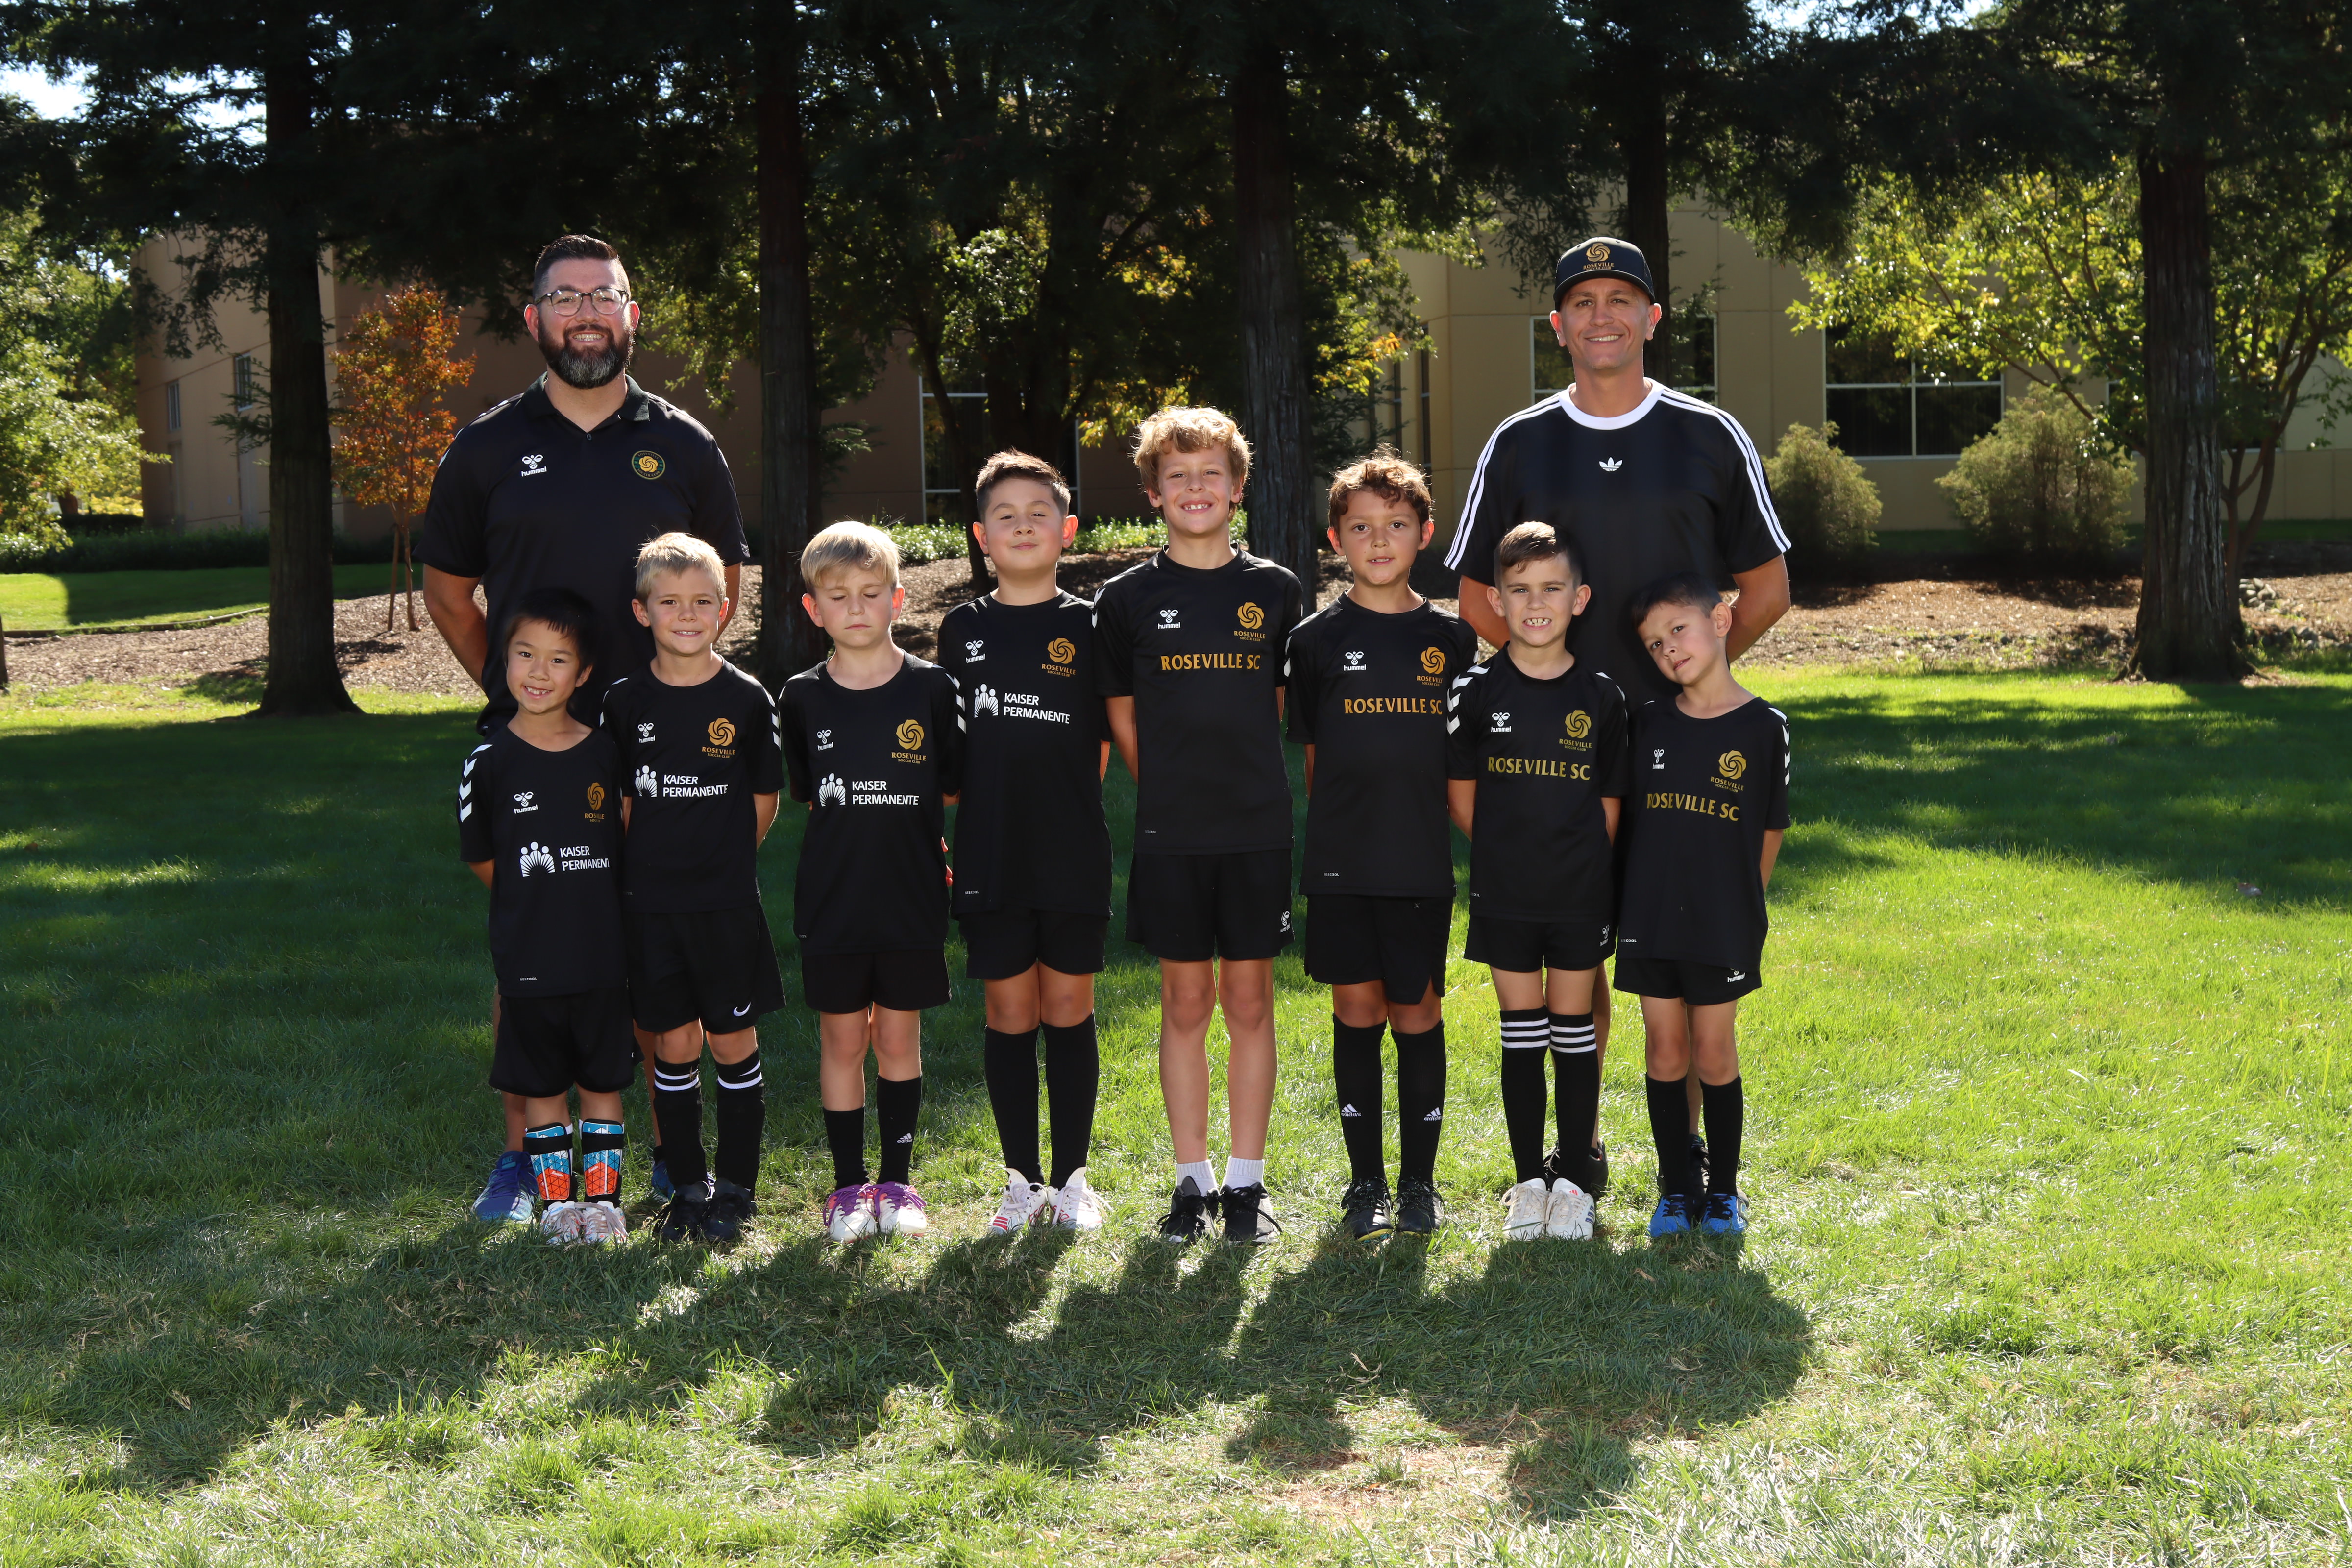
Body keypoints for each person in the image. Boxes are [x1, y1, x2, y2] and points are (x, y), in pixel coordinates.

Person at [1441, 235, 1791, 1192]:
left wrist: (1697, 689)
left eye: (1621, 299)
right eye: (1584, 302)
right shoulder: (1520, 441)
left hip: (1681, 754)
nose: (1603, 317)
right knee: (1578, 957)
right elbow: (1475, 597)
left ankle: (1688, 1162)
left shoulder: (1708, 435)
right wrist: (1547, 684)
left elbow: (1766, 588)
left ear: (1653, 319)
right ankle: (1580, 1148)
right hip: (1563, 758)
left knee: (1682, 956)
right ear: (1558, 325)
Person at [419, 232, 749, 1219]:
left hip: (661, 746)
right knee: (533, 935)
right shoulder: (485, 448)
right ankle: (525, 1160)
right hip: (539, 748)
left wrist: (679, 686)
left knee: (651, 942)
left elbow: (724, 586)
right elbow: (448, 593)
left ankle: (668, 1150)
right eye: (565, 298)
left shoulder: (686, 445)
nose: (586, 314)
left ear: (632, 315)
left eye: (604, 296)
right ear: (534, 320)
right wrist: (526, 694)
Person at [1092, 407, 1305, 1244]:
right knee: (1184, 1001)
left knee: (1250, 1000)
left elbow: (1276, 706)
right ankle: (1192, 1182)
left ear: (1238, 487)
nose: (1194, 487)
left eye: (1211, 472)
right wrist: (1173, 792)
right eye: (1176, 475)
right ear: (1153, 493)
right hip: (1173, 832)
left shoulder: (1276, 590)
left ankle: (1247, 1184)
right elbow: (1123, 716)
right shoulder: (1126, 599)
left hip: (1256, 827)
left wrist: (1232, 784)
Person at [1282, 452, 1478, 1243]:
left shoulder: (1453, 639)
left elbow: (1463, 762)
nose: (1379, 540)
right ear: (1336, 539)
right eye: (1361, 527)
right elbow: (1314, 762)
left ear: (1425, 534)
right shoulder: (1313, 640)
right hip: (1342, 859)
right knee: (1356, 1009)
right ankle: (1365, 1183)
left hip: (1418, 858)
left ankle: (1419, 1185)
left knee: (1417, 1009)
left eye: (1396, 524)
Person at [938, 453, 1112, 1235]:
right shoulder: (962, 629)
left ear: (1067, 530)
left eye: (1039, 513)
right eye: (1004, 516)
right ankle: (1021, 1181)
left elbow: (1099, 747)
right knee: (1010, 1013)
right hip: (991, 852)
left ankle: (1072, 1182)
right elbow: (952, 754)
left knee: (1069, 1008)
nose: (1022, 526)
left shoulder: (1091, 626)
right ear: (981, 536)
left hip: (1071, 849)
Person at [781, 522, 965, 1243]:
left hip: (910, 893)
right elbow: (809, 794)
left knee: (897, 1037)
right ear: (813, 609)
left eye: (869, 593)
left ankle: (896, 1182)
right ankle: (847, 1187)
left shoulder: (933, 688)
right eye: (837, 596)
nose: (854, 607)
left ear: (897, 598)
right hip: (834, 898)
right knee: (842, 1041)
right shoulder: (801, 697)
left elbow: (949, 785)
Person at [1446, 523, 1630, 1241]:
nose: (1536, 603)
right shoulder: (1474, 689)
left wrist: (1572, 862)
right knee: (1522, 1034)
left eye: (1552, 588)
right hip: (1507, 891)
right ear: (1496, 600)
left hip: (1579, 893)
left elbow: (1608, 808)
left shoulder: (1603, 697)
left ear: (1579, 599)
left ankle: (1575, 1184)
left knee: (1574, 1033)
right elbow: (1463, 799)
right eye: (1519, 590)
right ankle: (1529, 1184)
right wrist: (1510, 856)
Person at [602, 534, 784, 1245]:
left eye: (702, 601)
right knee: (673, 1043)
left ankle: (736, 1189)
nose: (687, 614)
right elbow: (619, 806)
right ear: (641, 611)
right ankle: (686, 1186)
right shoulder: (624, 702)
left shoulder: (746, 698)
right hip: (650, 908)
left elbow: (763, 800)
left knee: (732, 1040)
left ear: (725, 608)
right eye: (670, 602)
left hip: (725, 905)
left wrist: (723, 864)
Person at [455, 586, 632, 1244]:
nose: (538, 671)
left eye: (559, 660)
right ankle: (558, 1207)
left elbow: (623, 839)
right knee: (544, 1086)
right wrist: (536, 896)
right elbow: (483, 859)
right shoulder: (487, 763)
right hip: (529, 958)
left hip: (603, 955)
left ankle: (605, 1205)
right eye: (525, 654)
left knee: (604, 1082)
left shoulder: (606, 753)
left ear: (583, 675)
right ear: (504, 661)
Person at [1618, 572, 1789, 1237]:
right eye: (1655, 644)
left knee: (1713, 1053)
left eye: (1678, 631)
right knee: (1665, 1050)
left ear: (1720, 621)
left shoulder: (1765, 727)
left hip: (1722, 922)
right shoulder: (1648, 723)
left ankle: (1723, 1193)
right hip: (1651, 917)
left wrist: (1743, 906)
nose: (1669, 650)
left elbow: (1769, 830)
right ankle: (1676, 1188)